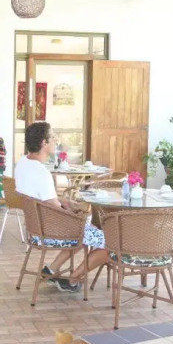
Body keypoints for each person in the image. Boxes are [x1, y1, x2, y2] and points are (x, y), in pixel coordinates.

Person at [14, 121, 108, 292]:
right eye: (52, 138)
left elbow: (41, 199)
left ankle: (51, 270)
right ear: (44, 143)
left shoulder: (22, 164)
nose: (55, 140)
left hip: (35, 229)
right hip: (50, 232)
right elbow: (55, 209)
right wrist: (73, 211)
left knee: (86, 230)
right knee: (109, 243)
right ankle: (72, 280)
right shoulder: (42, 173)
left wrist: (64, 202)